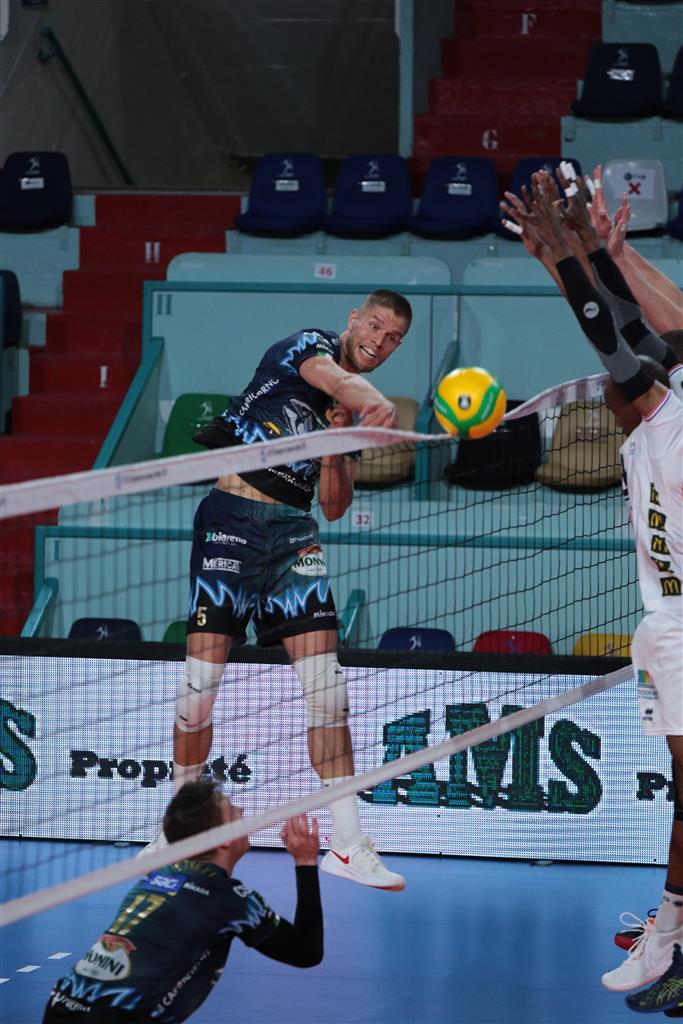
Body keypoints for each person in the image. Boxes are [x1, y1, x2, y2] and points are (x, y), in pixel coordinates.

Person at [150, 290, 412, 892]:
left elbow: (336, 506)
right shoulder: (308, 348)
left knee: (329, 694)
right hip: (231, 523)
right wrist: (373, 402)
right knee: (197, 695)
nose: (380, 341)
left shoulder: (347, 412)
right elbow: (334, 378)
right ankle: (175, 831)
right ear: (354, 319)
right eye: (375, 325)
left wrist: (338, 447)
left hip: (295, 537)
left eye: (394, 338)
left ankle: (347, 845)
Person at [515, 172, 683, 996]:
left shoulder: (661, 415)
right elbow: (626, 325)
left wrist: (561, 253)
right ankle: (671, 928)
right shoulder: (661, 410)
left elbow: (611, 335)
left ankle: (669, 931)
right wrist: (579, 247)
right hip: (667, 627)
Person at [43, 781, 322, 1023]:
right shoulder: (229, 898)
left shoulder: (157, 878)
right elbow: (306, 952)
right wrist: (306, 861)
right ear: (224, 839)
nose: (242, 812)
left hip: (60, 1008)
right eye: (233, 811)